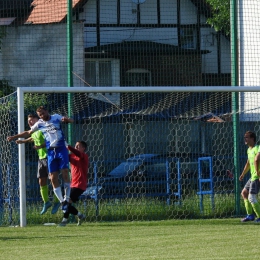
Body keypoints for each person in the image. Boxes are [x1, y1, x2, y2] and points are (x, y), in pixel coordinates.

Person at [7, 114, 60, 215]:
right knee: (41, 181)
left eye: (32, 120)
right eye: (28, 121)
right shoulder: (34, 131)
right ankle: (46, 202)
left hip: (50, 156)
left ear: (38, 119)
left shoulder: (43, 128)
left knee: (53, 180)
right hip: (41, 159)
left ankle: (57, 202)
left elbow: (51, 140)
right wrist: (23, 141)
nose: (30, 122)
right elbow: (32, 138)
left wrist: (40, 146)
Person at [59, 141, 89, 226]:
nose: (76, 147)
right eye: (75, 146)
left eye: (78, 146)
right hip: (72, 184)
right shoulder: (71, 156)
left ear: (83, 148)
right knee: (67, 203)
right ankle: (79, 215)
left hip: (80, 184)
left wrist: (68, 146)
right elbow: (63, 157)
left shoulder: (84, 156)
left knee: (66, 202)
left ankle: (64, 221)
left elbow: (77, 153)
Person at [239, 131, 260, 222]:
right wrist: (243, 174)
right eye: (245, 137)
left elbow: (256, 159)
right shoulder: (249, 150)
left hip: (256, 177)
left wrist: (258, 173)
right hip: (252, 177)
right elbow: (248, 163)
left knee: (252, 197)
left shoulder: (258, 148)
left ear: (252, 138)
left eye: (247, 137)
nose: (245, 139)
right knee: (244, 193)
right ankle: (250, 215)